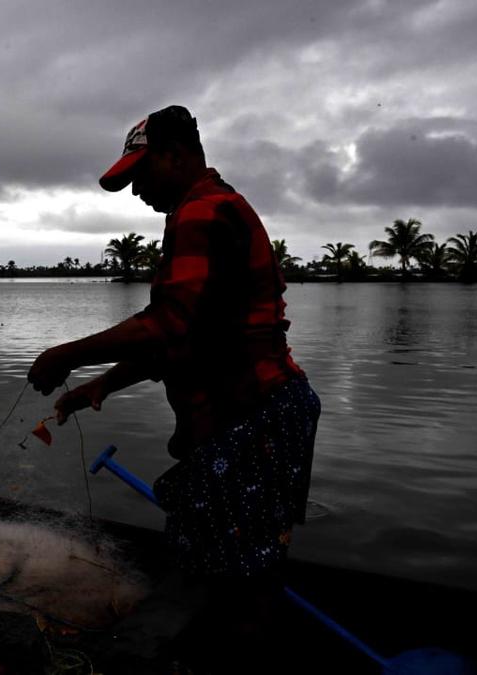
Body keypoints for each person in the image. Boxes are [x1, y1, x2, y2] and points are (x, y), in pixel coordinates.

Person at [27, 105, 320, 670]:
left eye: (141, 175)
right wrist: (104, 384)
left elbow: (168, 322)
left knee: (238, 574)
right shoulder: (205, 209)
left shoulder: (203, 212)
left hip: (255, 415)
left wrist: (65, 354)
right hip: (259, 413)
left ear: (177, 155)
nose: (136, 191)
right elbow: (192, 336)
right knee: (229, 561)